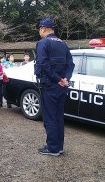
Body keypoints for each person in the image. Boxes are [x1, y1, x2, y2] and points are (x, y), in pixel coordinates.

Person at [34, 17, 74, 156]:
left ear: (43, 29)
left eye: (40, 29)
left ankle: (52, 148)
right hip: (62, 86)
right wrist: (65, 79)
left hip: (50, 85)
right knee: (58, 117)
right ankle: (59, 146)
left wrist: (57, 79)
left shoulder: (43, 43)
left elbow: (44, 64)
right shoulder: (63, 44)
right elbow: (71, 64)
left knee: (50, 117)